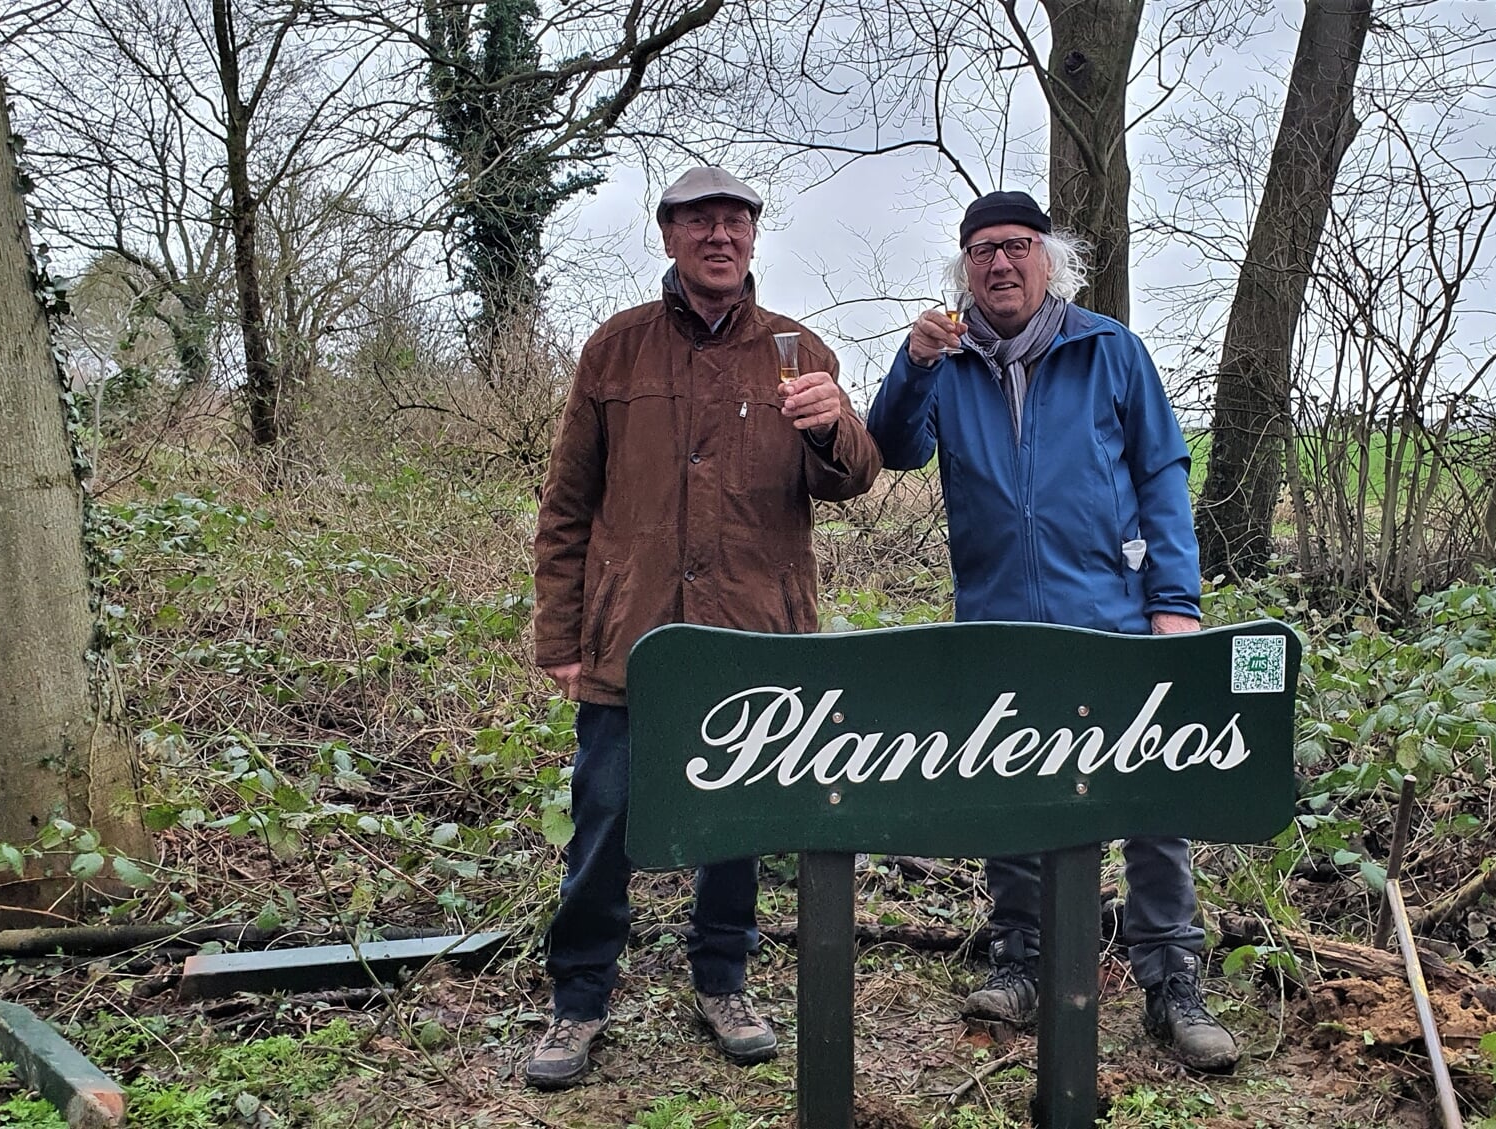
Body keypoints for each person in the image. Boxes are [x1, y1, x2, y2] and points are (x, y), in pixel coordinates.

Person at [525, 166, 882, 1089]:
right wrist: (560, 636)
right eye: (699, 222)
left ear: (754, 238)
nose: (718, 236)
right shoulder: (614, 350)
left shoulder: (799, 350)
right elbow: (567, 506)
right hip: (633, 635)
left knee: (738, 818)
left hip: (755, 635)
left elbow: (852, 480)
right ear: (670, 235)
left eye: (734, 221)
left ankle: (723, 979)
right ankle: (579, 995)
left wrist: (833, 424)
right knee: (604, 814)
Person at [865, 190, 1236, 1071]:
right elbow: (891, 447)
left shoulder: (1109, 350)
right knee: (1014, 796)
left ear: (1048, 258)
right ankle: (1022, 959)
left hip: (1112, 618)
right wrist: (912, 364)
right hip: (997, 622)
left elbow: (1163, 470)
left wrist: (1174, 600)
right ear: (965, 269)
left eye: (1018, 247)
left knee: (1150, 799)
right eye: (983, 250)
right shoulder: (946, 364)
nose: (1001, 263)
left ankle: (1171, 978)